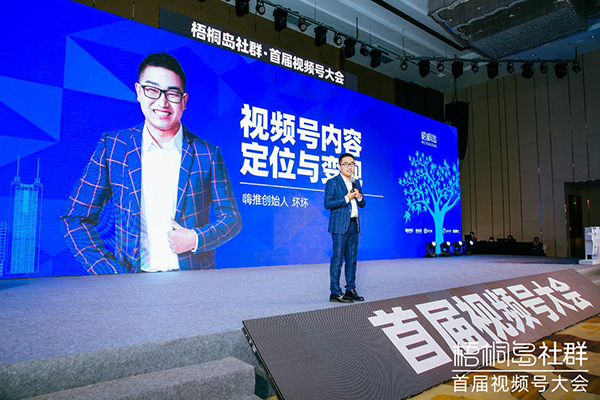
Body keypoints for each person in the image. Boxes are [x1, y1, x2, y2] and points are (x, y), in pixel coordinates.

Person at [61, 52, 242, 274]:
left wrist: (196, 238)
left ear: (184, 101)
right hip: (130, 283)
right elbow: (75, 218)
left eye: (172, 94)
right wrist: (110, 273)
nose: (162, 102)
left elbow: (231, 218)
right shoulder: (114, 147)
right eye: (152, 90)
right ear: (139, 92)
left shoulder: (207, 154)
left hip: (194, 280)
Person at [324, 153, 366, 303]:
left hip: (354, 225)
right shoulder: (332, 182)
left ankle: (350, 289)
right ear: (339, 166)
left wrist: (359, 196)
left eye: (352, 164)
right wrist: (346, 198)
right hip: (340, 227)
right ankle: (335, 292)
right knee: (337, 259)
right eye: (346, 164)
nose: (350, 167)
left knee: (352, 260)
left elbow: (362, 204)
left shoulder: (356, 182)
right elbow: (328, 204)